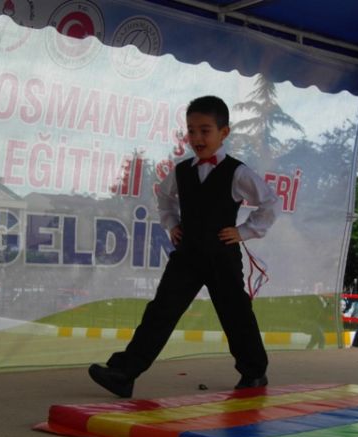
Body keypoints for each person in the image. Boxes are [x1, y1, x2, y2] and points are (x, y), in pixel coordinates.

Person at [88, 95, 278, 398]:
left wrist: (243, 231)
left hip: (221, 255)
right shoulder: (181, 171)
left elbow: (269, 202)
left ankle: (254, 372)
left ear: (224, 133)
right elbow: (164, 198)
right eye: (191, 131)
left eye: (205, 130)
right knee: (161, 311)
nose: (197, 138)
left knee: (236, 313)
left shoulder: (237, 172)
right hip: (187, 254)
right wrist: (172, 223)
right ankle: (124, 373)